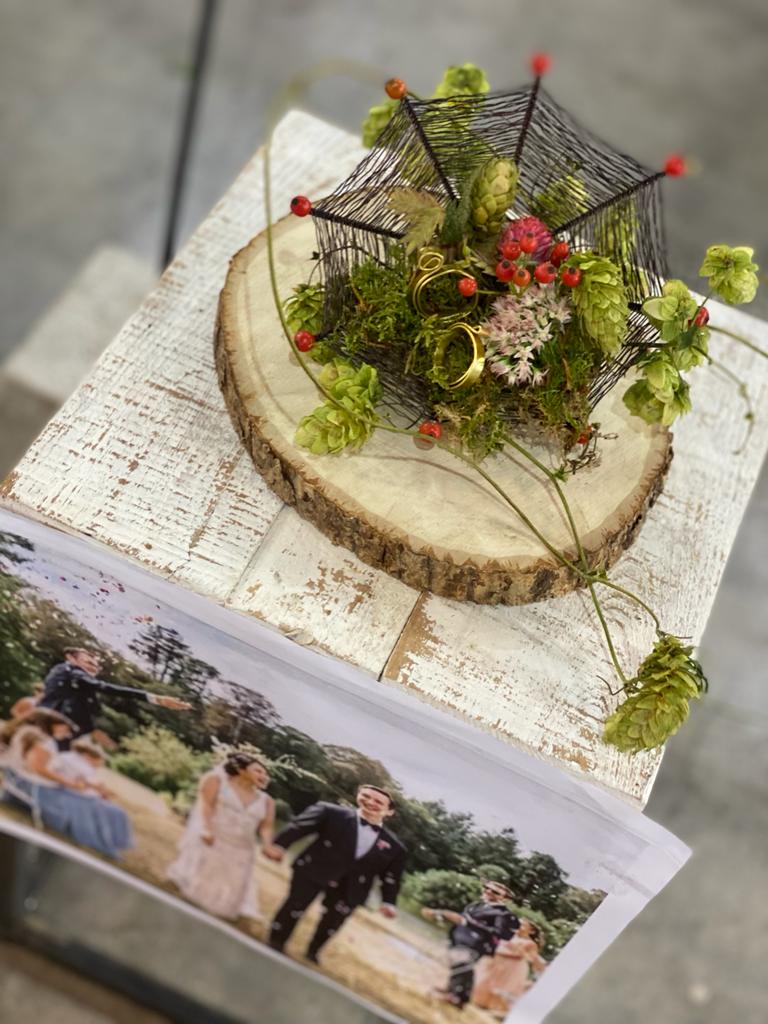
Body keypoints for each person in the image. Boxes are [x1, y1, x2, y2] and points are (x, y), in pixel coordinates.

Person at [265, 785, 407, 963]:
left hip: (353, 886)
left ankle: (312, 953)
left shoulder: (395, 847)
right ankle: (275, 943)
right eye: (365, 796)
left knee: (332, 923)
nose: (370, 802)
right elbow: (299, 827)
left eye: (378, 801)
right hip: (314, 869)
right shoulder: (330, 812)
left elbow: (391, 877)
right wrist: (279, 845)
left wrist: (388, 902)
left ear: (390, 811)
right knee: (294, 906)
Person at [1, 708, 133, 859]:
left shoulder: (29, 733)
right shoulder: (39, 738)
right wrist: (70, 783)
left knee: (94, 804)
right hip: (36, 785)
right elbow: (38, 768)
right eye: (66, 728)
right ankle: (104, 840)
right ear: (53, 723)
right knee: (87, 806)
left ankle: (110, 839)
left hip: (33, 782)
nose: (67, 733)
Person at [167, 752, 275, 921]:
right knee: (203, 877)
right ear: (241, 770)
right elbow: (206, 806)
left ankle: (217, 918)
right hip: (215, 838)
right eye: (258, 771)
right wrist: (206, 829)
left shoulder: (267, 801)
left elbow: (266, 827)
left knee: (233, 884)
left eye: (265, 773)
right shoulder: (216, 781)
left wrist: (268, 845)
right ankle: (186, 911)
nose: (264, 776)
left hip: (243, 848)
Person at [38, 647, 191, 748]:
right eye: (88, 662)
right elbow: (105, 688)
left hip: (55, 731)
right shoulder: (73, 672)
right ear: (71, 658)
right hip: (46, 729)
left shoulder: (76, 682)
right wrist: (156, 699)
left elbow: (84, 709)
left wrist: (93, 731)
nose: (94, 668)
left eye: (96, 666)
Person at [422, 880, 520, 1009]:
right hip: (460, 938)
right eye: (486, 888)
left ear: (505, 898)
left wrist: (469, 923)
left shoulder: (504, 914)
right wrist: (439, 915)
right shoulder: (476, 905)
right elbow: (460, 919)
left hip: (478, 944)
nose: (488, 892)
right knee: (458, 965)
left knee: (463, 966)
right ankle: (453, 991)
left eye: (495, 892)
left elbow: (503, 934)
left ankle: (459, 996)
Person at [472, 918, 548, 1016]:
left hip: (512, 967)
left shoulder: (530, 943)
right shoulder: (509, 936)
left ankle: (496, 1010)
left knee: (500, 988)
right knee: (485, 981)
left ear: (531, 931)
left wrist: (519, 951)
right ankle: (480, 1002)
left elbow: (531, 958)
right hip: (497, 962)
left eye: (521, 924)